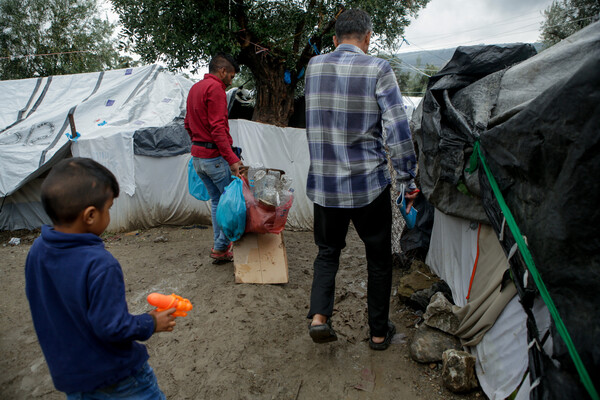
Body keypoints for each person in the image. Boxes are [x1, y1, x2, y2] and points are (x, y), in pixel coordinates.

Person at [304, 9, 419, 351]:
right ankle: (379, 333)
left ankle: (319, 318)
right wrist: (407, 180)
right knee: (379, 259)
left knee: (327, 252)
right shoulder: (378, 68)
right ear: (368, 38)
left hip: (325, 186)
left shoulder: (313, 67)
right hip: (368, 185)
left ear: (335, 39)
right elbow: (397, 129)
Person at [25, 157, 177, 399]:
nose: (109, 215)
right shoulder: (100, 264)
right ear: (90, 215)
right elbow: (112, 327)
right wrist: (151, 322)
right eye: (109, 208)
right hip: (120, 379)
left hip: (73, 379)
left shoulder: (37, 251)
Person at [185, 52, 242, 262]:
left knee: (218, 201)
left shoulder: (194, 88)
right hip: (213, 158)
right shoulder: (215, 89)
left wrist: (198, 143)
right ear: (222, 71)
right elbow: (218, 129)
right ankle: (220, 248)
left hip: (198, 159)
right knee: (230, 203)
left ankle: (220, 246)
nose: (231, 81)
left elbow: (187, 124)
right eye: (232, 76)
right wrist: (232, 160)